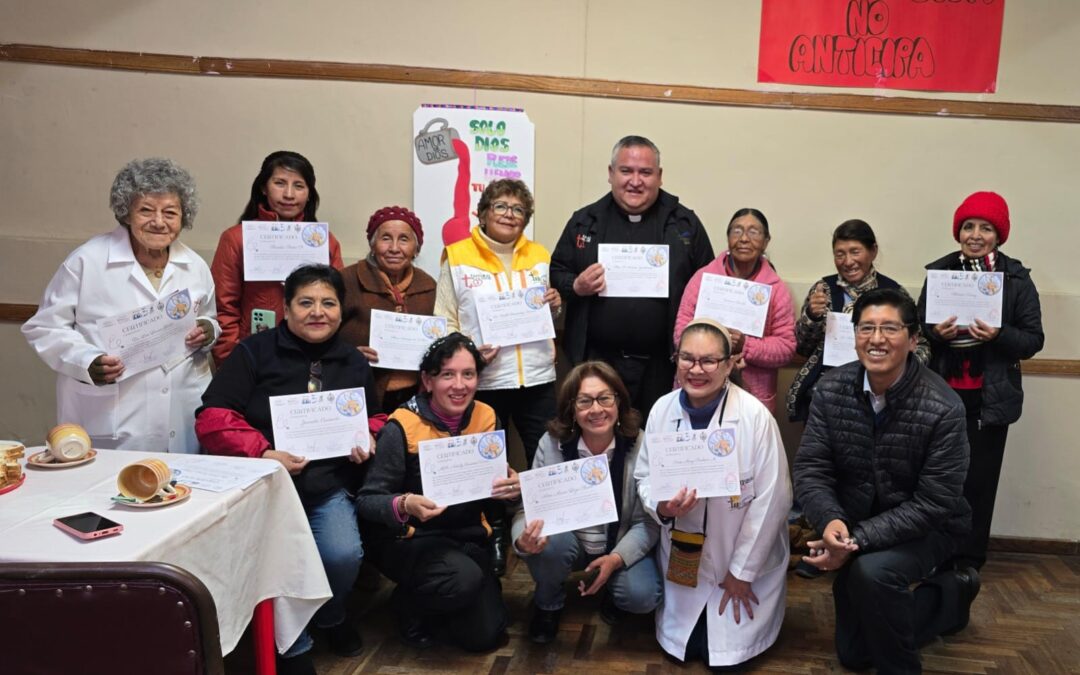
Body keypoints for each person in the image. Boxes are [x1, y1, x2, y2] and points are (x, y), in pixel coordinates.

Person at [195, 264, 379, 674]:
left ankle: (330, 616)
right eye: (306, 302)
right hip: (265, 487)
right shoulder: (253, 352)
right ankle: (293, 643)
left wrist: (368, 434)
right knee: (276, 563)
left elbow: (376, 416)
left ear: (341, 309)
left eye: (328, 303)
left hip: (326, 487)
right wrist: (262, 452)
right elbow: (212, 417)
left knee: (343, 555)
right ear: (286, 307)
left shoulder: (352, 360)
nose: (318, 312)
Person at [794, 288, 980, 674]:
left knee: (872, 573)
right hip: (858, 524)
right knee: (855, 654)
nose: (876, 339)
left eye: (890, 329)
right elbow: (812, 469)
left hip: (930, 527)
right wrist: (831, 521)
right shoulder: (830, 390)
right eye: (866, 328)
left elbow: (935, 503)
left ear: (913, 340)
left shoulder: (944, 406)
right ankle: (952, 596)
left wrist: (856, 542)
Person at [23, 157, 218, 454]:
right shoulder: (87, 261)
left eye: (170, 212)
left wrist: (208, 330)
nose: (159, 222)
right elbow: (44, 328)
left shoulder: (195, 265)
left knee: (180, 479)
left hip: (182, 411)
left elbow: (209, 318)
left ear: (184, 217)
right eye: (146, 210)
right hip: (112, 414)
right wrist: (86, 361)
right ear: (126, 212)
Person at [634, 319, 791, 669]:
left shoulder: (754, 418)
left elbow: (773, 500)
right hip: (683, 554)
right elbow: (644, 476)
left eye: (708, 361)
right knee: (685, 648)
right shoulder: (662, 410)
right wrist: (662, 507)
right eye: (687, 358)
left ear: (729, 364)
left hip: (740, 557)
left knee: (728, 655)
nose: (696, 369)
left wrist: (742, 572)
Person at [356, 333, 519, 652]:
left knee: (486, 635)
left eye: (468, 374)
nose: (459, 385)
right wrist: (405, 503)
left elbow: (495, 486)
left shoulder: (487, 417)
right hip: (411, 539)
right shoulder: (401, 425)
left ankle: (443, 600)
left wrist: (511, 490)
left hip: (467, 537)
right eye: (447, 375)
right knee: (462, 581)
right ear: (428, 381)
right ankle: (406, 605)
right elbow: (366, 501)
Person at [435, 179, 560, 575]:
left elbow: (544, 312)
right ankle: (495, 534)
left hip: (537, 376)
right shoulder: (457, 255)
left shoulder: (539, 254)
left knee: (545, 457)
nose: (509, 215)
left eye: (518, 209)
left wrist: (555, 305)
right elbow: (445, 320)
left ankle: (545, 531)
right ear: (484, 212)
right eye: (501, 206)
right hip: (485, 380)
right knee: (489, 467)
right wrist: (470, 356)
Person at [917, 192, 1043, 571]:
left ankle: (969, 560)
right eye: (968, 226)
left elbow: (1033, 340)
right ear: (958, 232)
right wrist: (935, 332)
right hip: (941, 395)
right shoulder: (940, 273)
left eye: (985, 228)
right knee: (937, 479)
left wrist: (998, 335)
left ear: (999, 235)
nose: (975, 235)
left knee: (979, 482)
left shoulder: (1016, 279)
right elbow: (917, 329)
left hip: (990, 400)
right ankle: (933, 554)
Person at [551, 135, 714, 415]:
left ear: (659, 176)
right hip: (597, 364)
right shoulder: (585, 221)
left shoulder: (684, 224)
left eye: (645, 172)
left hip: (663, 365)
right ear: (611, 173)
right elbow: (556, 271)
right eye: (626, 171)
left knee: (658, 435)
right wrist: (576, 285)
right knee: (601, 435)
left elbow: (707, 286)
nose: (635, 181)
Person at [512, 361, 662, 644]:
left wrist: (616, 559)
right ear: (571, 408)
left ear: (619, 401)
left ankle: (614, 589)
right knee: (549, 545)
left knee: (642, 596)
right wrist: (522, 541)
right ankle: (548, 603)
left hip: (619, 543)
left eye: (605, 398)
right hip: (569, 544)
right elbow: (526, 511)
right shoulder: (550, 444)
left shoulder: (641, 444)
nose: (596, 409)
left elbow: (647, 522)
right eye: (584, 401)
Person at [786, 219, 929, 423]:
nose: (848, 261)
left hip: (882, 389)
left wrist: (896, 370)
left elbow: (920, 345)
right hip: (827, 387)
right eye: (840, 254)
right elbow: (802, 347)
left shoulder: (894, 293)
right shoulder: (823, 289)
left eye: (855, 252)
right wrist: (812, 316)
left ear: (873, 251)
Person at [210, 150, 344, 366]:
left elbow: (337, 302)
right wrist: (232, 362)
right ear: (263, 188)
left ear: (309, 193)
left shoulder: (325, 242)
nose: (289, 194)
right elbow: (224, 307)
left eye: (299, 186)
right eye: (280, 183)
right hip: (255, 354)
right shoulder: (236, 239)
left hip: (313, 354)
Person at [675, 208, 795, 415]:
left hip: (752, 393)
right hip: (698, 384)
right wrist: (713, 348)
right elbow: (680, 334)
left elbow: (786, 347)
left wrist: (746, 345)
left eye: (753, 232)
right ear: (728, 237)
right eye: (737, 231)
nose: (744, 239)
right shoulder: (702, 278)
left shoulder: (776, 289)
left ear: (766, 241)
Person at [340, 205, 437, 413]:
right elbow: (321, 334)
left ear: (416, 248)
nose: (394, 248)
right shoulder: (347, 280)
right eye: (385, 238)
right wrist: (349, 353)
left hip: (417, 396)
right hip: (360, 394)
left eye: (404, 239)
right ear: (373, 244)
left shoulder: (428, 286)